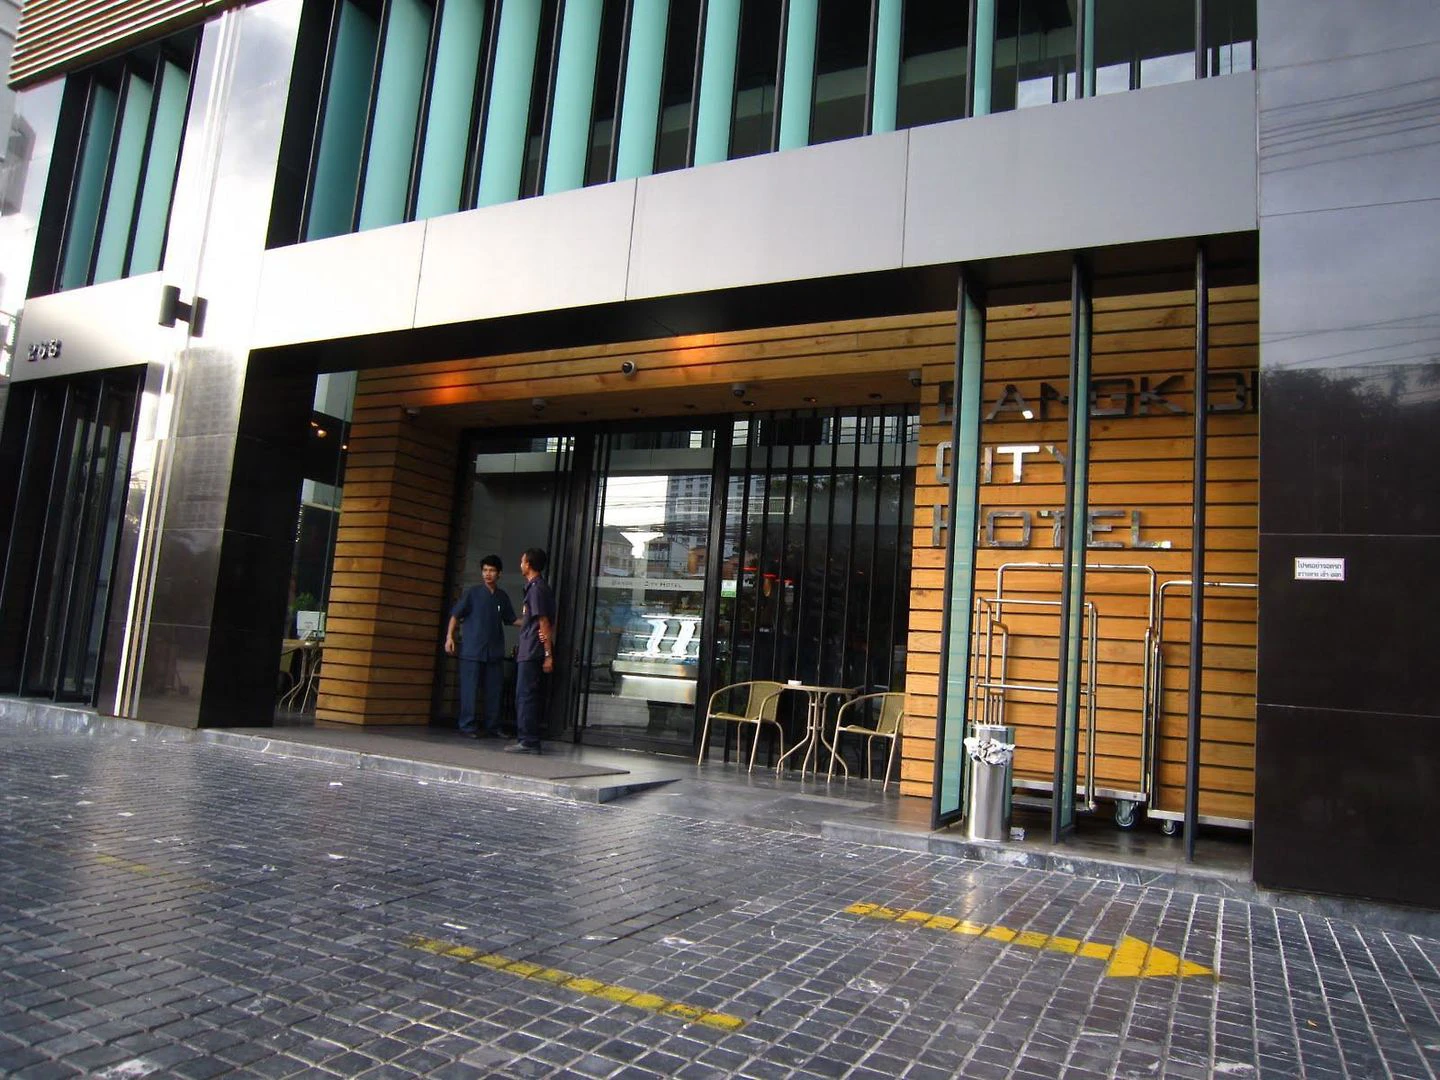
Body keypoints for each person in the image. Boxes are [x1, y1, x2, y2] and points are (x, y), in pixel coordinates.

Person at [444, 555, 520, 738]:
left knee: (494, 691)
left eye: (492, 570)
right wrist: (449, 637)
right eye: (485, 570)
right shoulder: (473, 593)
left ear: (499, 574)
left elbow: (511, 619)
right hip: (472, 650)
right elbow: (455, 615)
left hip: (493, 651)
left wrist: (532, 621)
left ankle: (493, 726)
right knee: (469, 690)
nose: (488, 574)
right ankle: (467, 726)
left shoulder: (502, 596)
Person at [507, 547, 555, 754]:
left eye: (522, 561)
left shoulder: (536, 589)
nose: (521, 565)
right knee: (526, 695)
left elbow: (543, 622)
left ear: (528, 564)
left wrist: (548, 654)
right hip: (530, 648)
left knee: (525, 695)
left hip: (532, 650)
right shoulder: (536, 588)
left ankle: (528, 740)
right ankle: (527, 738)